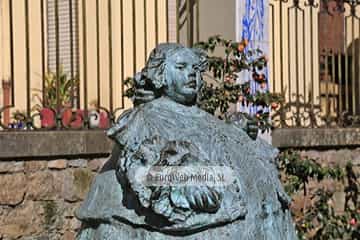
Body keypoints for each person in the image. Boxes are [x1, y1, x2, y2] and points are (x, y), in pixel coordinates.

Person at [76, 43, 297, 240]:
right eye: (181, 68)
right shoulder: (144, 117)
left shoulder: (202, 117)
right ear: (160, 75)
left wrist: (238, 132)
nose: (191, 74)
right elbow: (141, 165)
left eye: (195, 69)